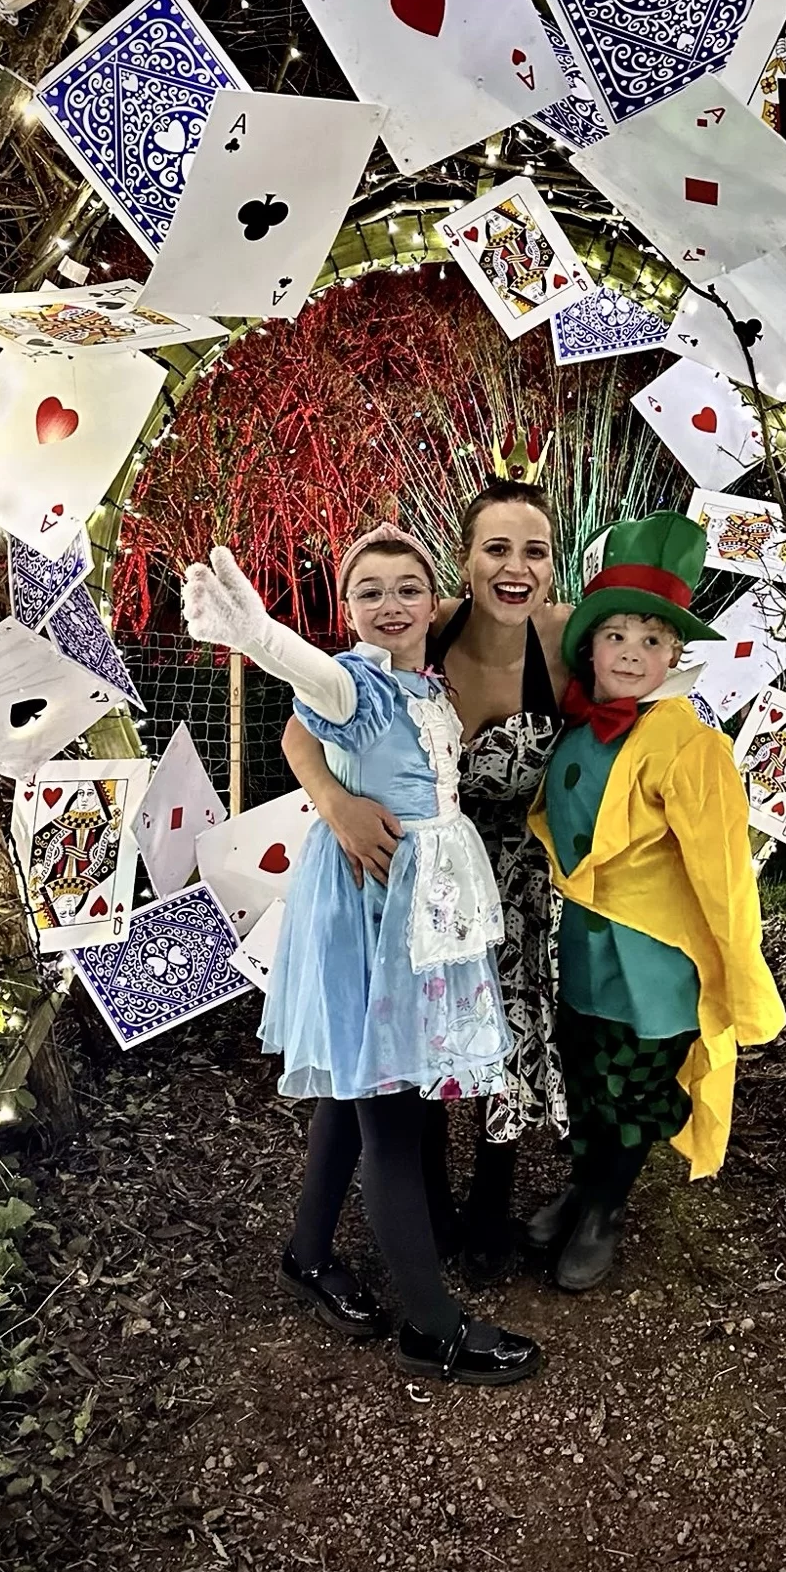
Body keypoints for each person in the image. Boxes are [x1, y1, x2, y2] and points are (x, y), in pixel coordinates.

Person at [183, 530, 542, 1386]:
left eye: (408, 589)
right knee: (388, 1109)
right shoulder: (361, 685)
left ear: (435, 599)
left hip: (413, 915)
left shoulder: (424, 679)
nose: (390, 605)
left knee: (356, 1087)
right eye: (369, 591)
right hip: (377, 915)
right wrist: (257, 635)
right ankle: (432, 1327)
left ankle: (307, 1254)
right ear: (347, 610)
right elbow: (309, 673)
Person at [284, 479, 570, 1283]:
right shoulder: (423, 622)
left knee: (503, 1034)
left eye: (534, 551)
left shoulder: (563, 637)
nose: (515, 568)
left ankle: (490, 1205)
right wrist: (336, 804)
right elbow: (304, 729)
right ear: (465, 563)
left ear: (552, 565)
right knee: (416, 1048)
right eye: (496, 549)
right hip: (405, 867)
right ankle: (426, 1210)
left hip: (516, 874)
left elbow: (639, 676)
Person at [525, 511, 786, 1292]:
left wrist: (740, 969)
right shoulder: (574, 732)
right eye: (618, 637)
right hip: (583, 951)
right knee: (583, 1076)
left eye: (652, 640)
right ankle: (581, 1183)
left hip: (657, 968)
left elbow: (724, 872)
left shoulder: (691, 746)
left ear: (674, 655)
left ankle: (605, 1206)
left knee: (634, 1090)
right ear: (590, 647)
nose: (634, 654)